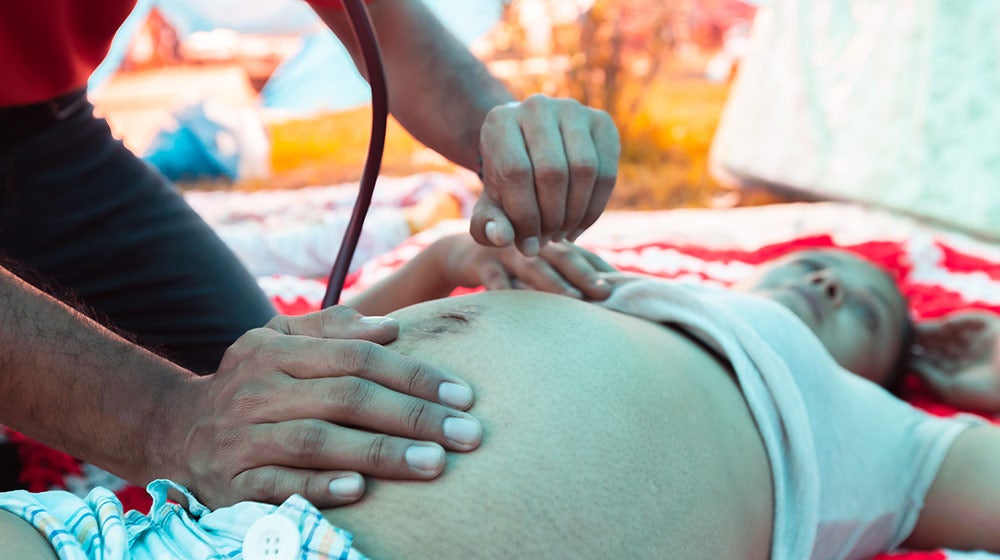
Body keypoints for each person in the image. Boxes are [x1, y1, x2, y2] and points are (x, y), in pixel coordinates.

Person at [3, 236, 999, 559]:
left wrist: (977, 379)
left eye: (866, 304)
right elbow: (270, 365)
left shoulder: (883, 429)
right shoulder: (609, 284)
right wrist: (438, 264)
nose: (833, 279)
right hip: (172, 525)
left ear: (885, 370)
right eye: (819, 261)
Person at [0, 0, 620, 509]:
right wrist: (165, 419)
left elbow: (387, 24)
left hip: (44, 130)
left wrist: (505, 142)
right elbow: (180, 422)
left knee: (268, 410)